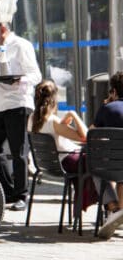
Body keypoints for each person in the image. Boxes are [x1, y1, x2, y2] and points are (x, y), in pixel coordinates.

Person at [28, 80, 117, 214]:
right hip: (67, 162)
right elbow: (86, 137)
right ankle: (113, 207)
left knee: (100, 161)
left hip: (49, 164)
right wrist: (74, 115)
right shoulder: (52, 121)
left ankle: (110, 208)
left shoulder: (31, 119)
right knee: (103, 163)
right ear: (54, 99)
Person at [0, 21, 41, 211]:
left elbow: (35, 75)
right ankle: (5, 191)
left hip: (16, 103)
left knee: (18, 151)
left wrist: (18, 80)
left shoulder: (21, 45)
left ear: (3, 28)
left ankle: (21, 194)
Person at [91, 71, 123, 239]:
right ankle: (119, 213)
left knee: (97, 170)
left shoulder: (107, 108)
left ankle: (114, 208)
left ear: (114, 92)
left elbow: (91, 136)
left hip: (113, 166)